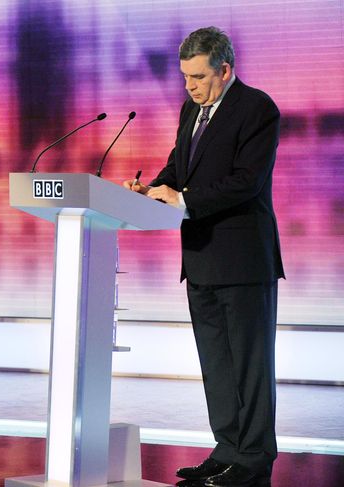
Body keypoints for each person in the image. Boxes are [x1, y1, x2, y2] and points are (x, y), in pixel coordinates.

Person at [124, 27, 282, 486]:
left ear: (225, 69)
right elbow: (179, 166)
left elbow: (245, 181)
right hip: (200, 258)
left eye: (197, 76)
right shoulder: (191, 109)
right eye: (184, 77)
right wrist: (150, 189)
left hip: (243, 259)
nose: (189, 86)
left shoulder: (256, 108)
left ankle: (252, 459)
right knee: (216, 364)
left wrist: (183, 198)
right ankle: (227, 449)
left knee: (250, 365)